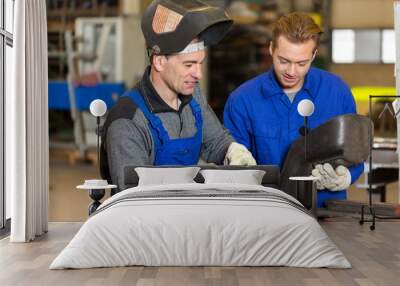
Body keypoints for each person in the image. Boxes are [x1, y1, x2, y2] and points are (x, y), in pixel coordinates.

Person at [100, 0, 256, 190]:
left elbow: (215, 142)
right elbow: (134, 201)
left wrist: (233, 151)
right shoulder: (127, 120)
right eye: (189, 65)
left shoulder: (193, 97)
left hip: (186, 211)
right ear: (159, 62)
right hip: (147, 215)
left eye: (200, 64)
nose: (198, 74)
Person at [223, 12, 364, 208]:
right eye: (284, 61)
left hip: (327, 214)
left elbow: (355, 152)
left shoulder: (337, 92)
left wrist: (347, 176)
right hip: (267, 212)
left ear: (314, 55)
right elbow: (235, 166)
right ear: (271, 49)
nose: (291, 71)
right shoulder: (242, 100)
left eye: (301, 63)